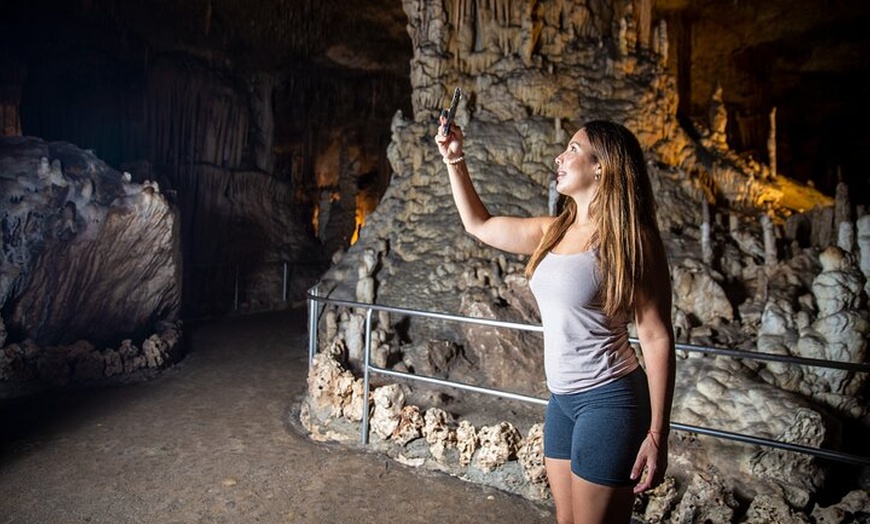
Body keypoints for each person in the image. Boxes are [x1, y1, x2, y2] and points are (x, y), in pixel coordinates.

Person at [435, 116, 675, 524]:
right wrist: (455, 161)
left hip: (610, 400)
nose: (559, 157)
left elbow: (655, 337)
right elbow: (480, 225)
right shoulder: (553, 230)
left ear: (602, 166)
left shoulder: (630, 240)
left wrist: (658, 434)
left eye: (573, 149)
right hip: (561, 401)